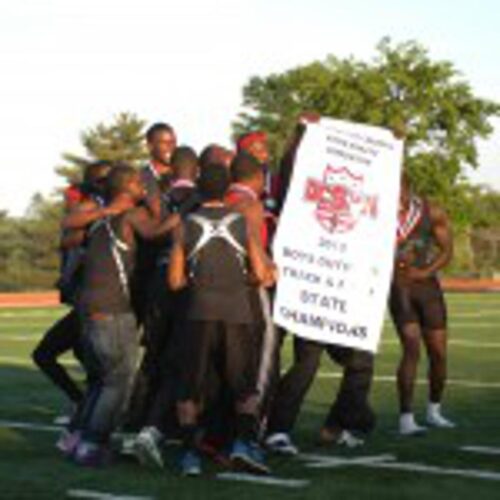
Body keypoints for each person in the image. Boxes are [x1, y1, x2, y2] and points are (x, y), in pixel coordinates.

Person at [169, 163, 276, 476]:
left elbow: (174, 281)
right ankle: (244, 445)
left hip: (198, 312)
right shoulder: (241, 221)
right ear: (227, 188)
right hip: (236, 313)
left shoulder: (185, 224)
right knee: (243, 387)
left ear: (200, 189)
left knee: (190, 388)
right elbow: (259, 272)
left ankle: (189, 455)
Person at [69, 164, 180, 466]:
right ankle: (92, 444)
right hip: (112, 308)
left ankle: (76, 438)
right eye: (138, 183)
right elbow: (157, 232)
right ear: (126, 187)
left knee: (99, 379)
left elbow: (71, 225)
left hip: (88, 308)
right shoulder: (130, 216)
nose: (143, 187)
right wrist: (184, 216)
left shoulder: (99, 222)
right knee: (118, 380)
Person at [32, 161, 113, 430]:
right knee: (90, 361)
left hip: (94, 303)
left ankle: (86, 405)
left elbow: (71, 239)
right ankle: (87, 404)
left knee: (45, 354)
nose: (71, 203)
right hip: (89, 302)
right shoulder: (99, 212)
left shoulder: (101, 214)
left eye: (74, 198)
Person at [390, 173, 455, 435]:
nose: (397, 197)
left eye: (400, 191)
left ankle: (434, 411)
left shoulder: (431, 210)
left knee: (438, 353)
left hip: (428, 288)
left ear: (409, 189)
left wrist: (426, 272)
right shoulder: (376, 213)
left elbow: (447, 250)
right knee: (411, 348)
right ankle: (406, 418)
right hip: (397, 289)